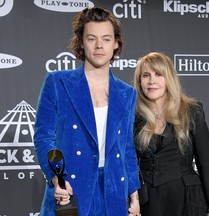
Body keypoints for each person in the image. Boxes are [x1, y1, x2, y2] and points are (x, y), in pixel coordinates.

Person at [34, 7, 141, 216]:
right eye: (92, 38)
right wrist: (58, 178)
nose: (99, 45)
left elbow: (127, 147)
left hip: (114, 191)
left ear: (116, 44)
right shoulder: (58, 83)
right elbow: (44, 137)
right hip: (71, 188)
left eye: (106, 39)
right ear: (81, 42)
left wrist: (134, 195)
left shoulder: (127, 93)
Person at [133, 52, 209, 216]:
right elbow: (127, 162)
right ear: (139, 81)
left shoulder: (191, 111)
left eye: (158, 74)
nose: (151, 81)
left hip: (187, 198)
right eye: (146, 75)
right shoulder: (133, 115)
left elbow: (205, 161)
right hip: (148, 201)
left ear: (169, 79)